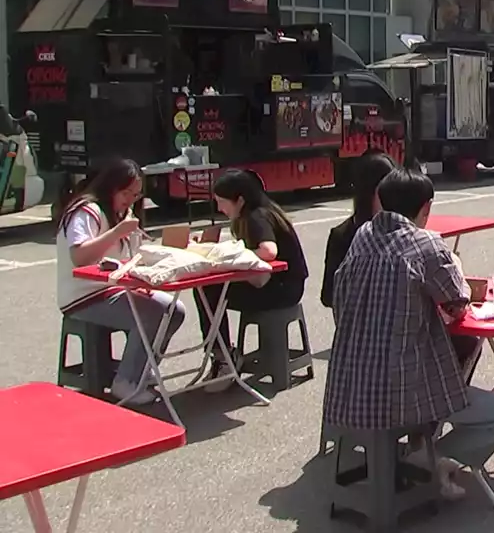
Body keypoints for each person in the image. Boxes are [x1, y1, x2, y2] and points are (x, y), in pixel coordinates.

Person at [324, 168, 494, 500]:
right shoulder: (425, 242)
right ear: (426, 207)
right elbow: (458, 301)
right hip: (403, 393)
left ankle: (419, 453)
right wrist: (455, 265)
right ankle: (434, 459)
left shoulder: (361, 238)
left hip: (348, 387)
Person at [57, 158, 186, 405]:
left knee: (174, 310)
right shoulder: (87, 211)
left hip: (112, 289)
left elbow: (127, 258)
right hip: (83, 295)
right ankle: (125, 383)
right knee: (155, 312)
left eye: (136, 195)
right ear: (110, 186)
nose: (130, 199)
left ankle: (141, 373)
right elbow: (79, 256)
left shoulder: (120, 213)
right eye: (126, 192)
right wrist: (117, 232)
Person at [203, 169, 309, 390]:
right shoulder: (265, 211)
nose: (220, 209)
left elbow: (269, 251)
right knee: (211, 289)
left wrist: (231, 258)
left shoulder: (256, 216)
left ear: (239, 200)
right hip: (288, 286)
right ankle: (223, 353)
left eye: (222, 203)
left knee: (208, 290)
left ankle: (222, 356)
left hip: (280, 289)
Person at [321, 152, 398, 313]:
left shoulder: (402, 231)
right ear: (373, 192)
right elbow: (328, 295)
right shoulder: (343, 235)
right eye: (392, 189)